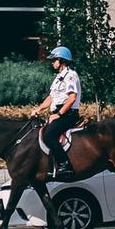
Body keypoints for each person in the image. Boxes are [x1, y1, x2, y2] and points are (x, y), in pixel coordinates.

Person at [30, 46, 81, 179]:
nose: (52, 63)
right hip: (58, 114)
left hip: (68, 114)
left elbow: (72, 98)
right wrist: (38, 109)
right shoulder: (58, 77)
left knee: (49, 134)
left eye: (54, 60)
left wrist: (59, 114)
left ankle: (65, 165)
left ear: (61, 60)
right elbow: (51, 97)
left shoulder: (70, 76)